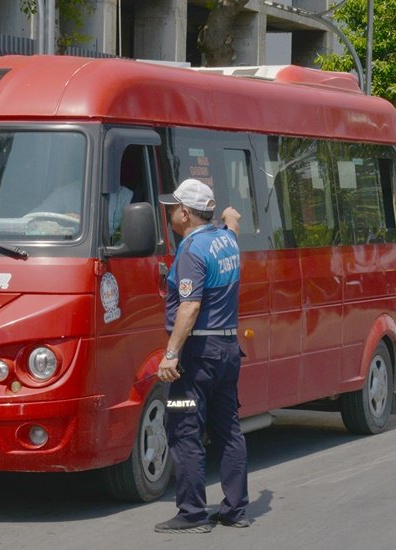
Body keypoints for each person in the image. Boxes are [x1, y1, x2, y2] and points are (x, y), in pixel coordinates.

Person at [153, 178, 247, 534]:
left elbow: (189, 307)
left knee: (183, 428)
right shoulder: (226, 241)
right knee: (228, 430)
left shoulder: (192, 251)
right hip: (227, 352)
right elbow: (233, 224)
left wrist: (170, 355)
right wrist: (229, 215)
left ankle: (192, 513)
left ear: (185, 213)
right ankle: (236, 510)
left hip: (196, 357)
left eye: (173, 208)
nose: (171, 214)